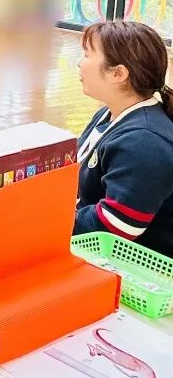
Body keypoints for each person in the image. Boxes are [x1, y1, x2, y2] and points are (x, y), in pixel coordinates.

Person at [73, 20, 173, 259]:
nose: (79, 62)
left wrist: (47, 222)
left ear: (118, 74)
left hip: (133, 266)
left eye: (87, 55)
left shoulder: (145, 141)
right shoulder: (110, 113)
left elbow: (115, 225)